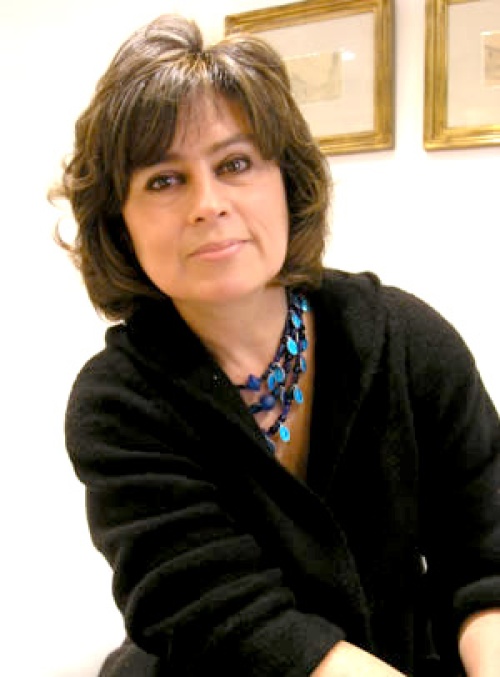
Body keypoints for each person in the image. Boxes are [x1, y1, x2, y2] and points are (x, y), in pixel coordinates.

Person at [50, 13, 500, 677]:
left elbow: (485, 560)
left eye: (235, 163)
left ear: (286, 181)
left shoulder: (408, 340)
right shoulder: (117, 404)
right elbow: (230, 619)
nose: (207, 204)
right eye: (164, 180)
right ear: (121, 224)